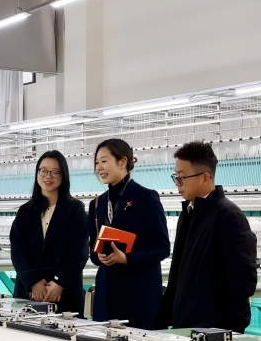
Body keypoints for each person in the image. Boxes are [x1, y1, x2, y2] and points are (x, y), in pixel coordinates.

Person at [156, 141, 257, 333]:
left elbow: (242, 278)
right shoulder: (189, 213)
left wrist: (231, 330)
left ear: (205, 177)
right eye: (176, 177)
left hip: (214, 330)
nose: (177, 184)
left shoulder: (229, 216)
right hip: (185, 323)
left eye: (182, 177)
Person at [87, 139, 170, 329]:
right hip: (106, 295)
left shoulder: (146, 198)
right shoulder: (97, 204)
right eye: (97, 162)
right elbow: (93, 250)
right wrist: (99, 256)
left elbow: (162, 248)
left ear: (123, 162)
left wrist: (127, 258)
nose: (99, 167)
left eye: (104, 161)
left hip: (138, 294)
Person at [10, 150, 89, 315]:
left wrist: (59, 283)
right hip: (30, 292)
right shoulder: (25, 212)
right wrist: (34, 282)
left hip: (64, 291)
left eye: (55, 172)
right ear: (37, 173)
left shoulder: (75, 210)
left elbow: (79, 252)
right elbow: (18, 251)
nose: (48, 176)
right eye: (44, 171)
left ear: (63, 175)